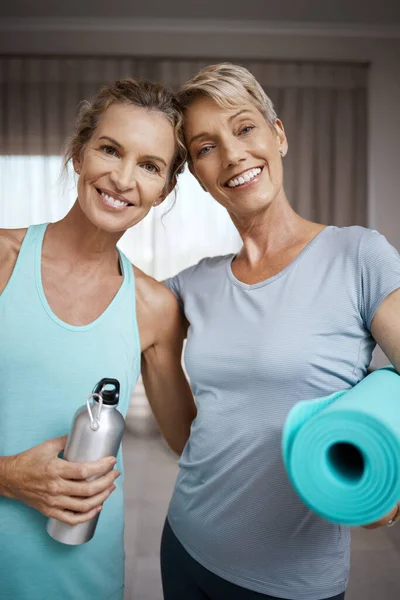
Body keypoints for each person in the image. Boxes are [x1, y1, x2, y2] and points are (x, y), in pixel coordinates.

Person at [156, 63, 400, 600]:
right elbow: (184, 435)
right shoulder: (190, 285)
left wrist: (394, 495)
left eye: (245, 128)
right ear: (195, 173)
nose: (233, 154)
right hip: (186, 543)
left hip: (293, 580)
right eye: (205, 147)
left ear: (279, 135)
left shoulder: (358, 255)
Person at [0, 78, 196, 600]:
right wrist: (9, 476)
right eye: (110, 149)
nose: (123, 178)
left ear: (164, 190)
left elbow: (189, 442)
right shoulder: (3, 261)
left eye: (150, 166)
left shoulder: (154, 308)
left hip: (84, 578)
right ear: (79, 155)